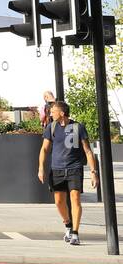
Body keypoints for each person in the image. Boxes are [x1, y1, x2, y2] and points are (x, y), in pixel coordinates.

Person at [38, 100, 99, 245]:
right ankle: (68, 225)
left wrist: (93, 172)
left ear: (62, 113)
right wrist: (41, 167)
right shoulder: (51, 127)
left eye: (53, 111)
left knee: (75, 198)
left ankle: (75, 233)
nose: (51, 114)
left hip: (74, 168)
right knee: (59, 201)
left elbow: (88, 151)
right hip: (57, 169)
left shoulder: (78, 127)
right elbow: (44, 149)